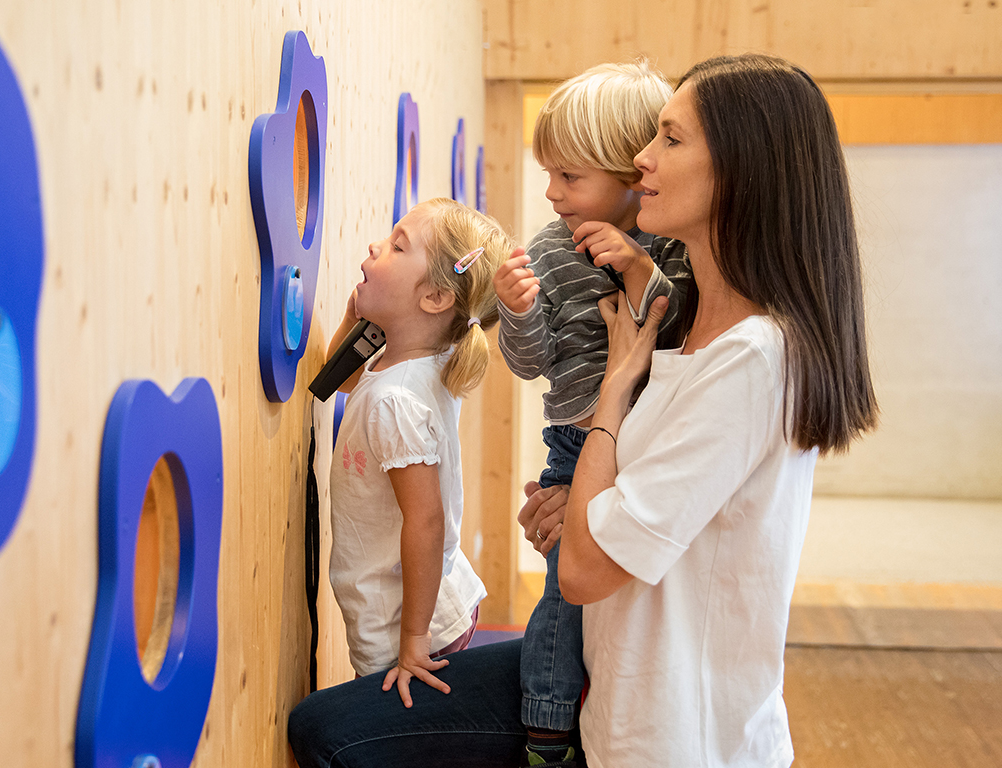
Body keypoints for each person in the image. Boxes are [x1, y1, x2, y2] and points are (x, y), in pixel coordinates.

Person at [289, 53, 878, 768]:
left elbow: (588, 568)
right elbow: (629, 485)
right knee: (328, 727)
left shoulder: (751, 357)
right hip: (611, 685)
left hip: (670, 736)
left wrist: (612, 396)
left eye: (670, 139)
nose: (642, 158)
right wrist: (574, 497)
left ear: (739, 171)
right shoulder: (683, 316)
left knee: (334, 734)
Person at [493, 61, 692, 767]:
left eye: (569, 178)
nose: (551, 194)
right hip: (575, 442)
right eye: (548, 174)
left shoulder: (674, 244)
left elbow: (682, 329)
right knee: (560, 591)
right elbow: (527, 361)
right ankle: (547, 726)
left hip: (646, 446)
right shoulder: (548, 249)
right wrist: (516, 312)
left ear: (628, 175)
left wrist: (639, 265)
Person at [323, 197, 514, 708]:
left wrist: (412, 644)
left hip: (406, 627)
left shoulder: (396, 401)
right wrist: (356, 322)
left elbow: (425, 522)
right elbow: (340, 384)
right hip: (437, 602)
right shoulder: (421, 352)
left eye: (396, 245)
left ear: (433, 297)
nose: (374, 245)